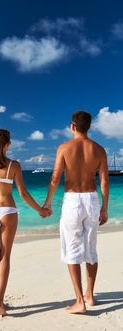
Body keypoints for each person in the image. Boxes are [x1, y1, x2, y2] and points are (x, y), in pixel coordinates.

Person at [0, 129, 50, 317]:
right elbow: (23, 194)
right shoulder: (14, 165)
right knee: (5, 257)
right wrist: (40, 210)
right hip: (8, 211)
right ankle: (0, 302)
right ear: (7, 145)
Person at [43, 111, 109, 314]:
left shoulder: (64, 148)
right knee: (91, 249)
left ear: (72, 126)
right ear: (88, 127)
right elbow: (104, 181)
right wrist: (105, 207)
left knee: (72, 249)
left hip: (72, 200)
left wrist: (48, 202)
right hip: (91, 199)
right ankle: (90, 295)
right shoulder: (99, 150)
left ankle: (79, 301)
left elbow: (55, 178)